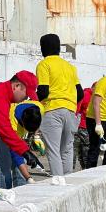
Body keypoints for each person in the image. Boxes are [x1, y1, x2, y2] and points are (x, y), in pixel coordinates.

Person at [0, 72, 44, 189]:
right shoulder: (0, 95)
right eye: (26, 94)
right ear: (16, 86)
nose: (25, 99)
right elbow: (4, 129)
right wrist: (25, 152)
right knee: (4, 166)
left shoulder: (5, 98)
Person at [36, 34, 83, 178]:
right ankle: (68, 180)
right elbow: (80, 93)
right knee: (67, 149)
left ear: (43, 48)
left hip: (52, 109)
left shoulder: (44, 64)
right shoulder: (70, 67)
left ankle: (58, 182)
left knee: (54, 150)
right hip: (70, 110)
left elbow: (43, 91)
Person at [74, 83, 94, 169]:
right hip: (84, 126)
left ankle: (69, 169)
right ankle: (86, 168)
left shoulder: (83, 93)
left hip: (76, 125)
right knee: (85, 148)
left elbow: (77, 109)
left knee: (74, 149)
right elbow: (80, 109)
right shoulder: (89, 96)